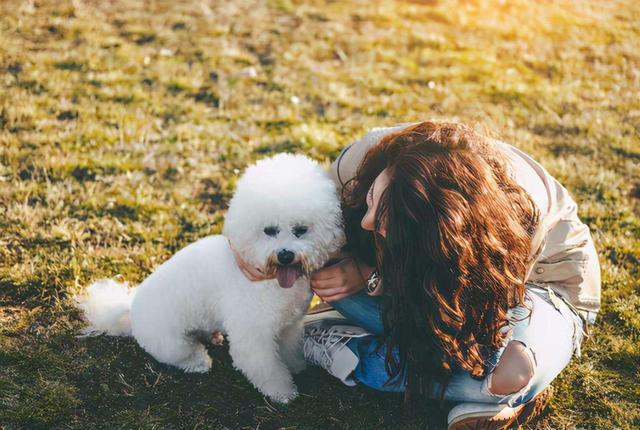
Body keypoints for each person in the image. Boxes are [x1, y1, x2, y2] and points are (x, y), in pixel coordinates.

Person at [233, 121, 601, 429]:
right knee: (324, 267)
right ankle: (478, 391)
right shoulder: (366, 159)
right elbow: (292, 213)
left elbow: (464, 308)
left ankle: (354, 350)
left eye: (385, 225)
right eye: (374, 201)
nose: (364, 221)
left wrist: (375, 278)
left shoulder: (509, 215)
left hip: (537, 284)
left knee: (511, 372)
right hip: (417, 284)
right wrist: (241, 246)